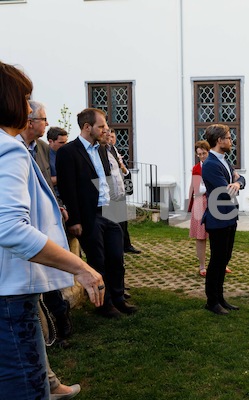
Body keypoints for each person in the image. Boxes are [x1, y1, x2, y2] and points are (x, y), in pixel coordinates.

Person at [0, 60, 104, 399]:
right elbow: (11, 228)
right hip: (10, 294)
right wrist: (81, 268)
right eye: (26, 98)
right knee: (26, 388)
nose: (30, 108)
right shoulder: (8, 149)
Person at [56, 108, 137, 319]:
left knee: (116, 259)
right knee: (98, 261)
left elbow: (107, 180)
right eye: (101, 126)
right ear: (86, 127)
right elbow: (67, 188)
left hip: (111, 210)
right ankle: (105, 304)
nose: (105, 130)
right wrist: (75, 220)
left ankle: (119, 299)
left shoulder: (103, 150)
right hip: (89, 215)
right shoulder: (68, 152)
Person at [18, 103, 74, 348]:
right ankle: (44, 333)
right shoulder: (12, 147)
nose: (47, 123)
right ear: (30, 121)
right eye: (43, 119)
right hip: (22, 224)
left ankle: (61, 326)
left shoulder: (41, 147)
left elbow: (46, 184)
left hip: (45, 222)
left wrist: (57, 204)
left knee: (51, 276)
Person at [201, 124, 245, 315]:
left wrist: (237, 182)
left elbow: (240, 179)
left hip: (229, 217)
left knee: (224, 258)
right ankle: (212, 301)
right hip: (218, 218)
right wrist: (235, 184)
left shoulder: (224, 161)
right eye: (228, 137)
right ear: (219, 141)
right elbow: (226, 192)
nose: (231, 140)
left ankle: (220, 297)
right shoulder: (210, 164)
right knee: (217, 261)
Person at [107, 128, 141, 254]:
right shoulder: (105, 152)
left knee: (123, 219)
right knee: (115, 220)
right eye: (109, 136)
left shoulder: (117, 151)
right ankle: (118, 245)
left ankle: (126, 245)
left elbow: (125, 171)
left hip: (121, 188)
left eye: (113, 136)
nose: (111, 139)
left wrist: (123, 168)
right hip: (112, 191)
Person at [188, 140, 211, 276]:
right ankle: (202, 266)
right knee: (201, 235)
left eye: (204, 153)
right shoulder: (197, 168)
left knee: (216, 235)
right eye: (199, 154)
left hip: (213, 201)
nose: (202, 156)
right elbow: (194, 187)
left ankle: (220, 264)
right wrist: (189, 202)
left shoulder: (214, 165)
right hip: (200, 202)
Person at [47, 126, 68, 192]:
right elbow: (44, 180)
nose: (65, 145)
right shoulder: (44, 156)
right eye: (61, 143)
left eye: (66, 142)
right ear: (50, 141)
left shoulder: (67, 153)